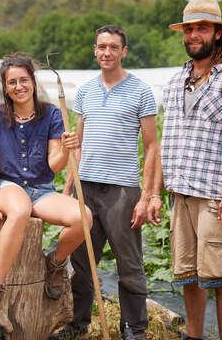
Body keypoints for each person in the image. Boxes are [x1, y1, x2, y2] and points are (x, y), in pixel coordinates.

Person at [148, 0, 222, 340]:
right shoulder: (177, 79)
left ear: (218, 34)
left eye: (202, 28)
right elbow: (167, 142)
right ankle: (193, 335)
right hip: (180, 193)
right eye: (190, 29)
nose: (194, 34)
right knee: (189, 275)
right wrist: (155, 193)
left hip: (214, 195)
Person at [53, 25, 158, 340]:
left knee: (129, 263)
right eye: (102, 47)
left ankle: (134, 329)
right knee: (82, 262)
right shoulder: (85, 91)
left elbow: (153, 146)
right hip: (87, 187)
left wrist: (146, 196)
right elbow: (77, 146)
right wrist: (69, 189)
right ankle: (78, 324)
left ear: (124, 51)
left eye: (114, 47)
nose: (107, 53)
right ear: (95, 50)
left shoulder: (140, 90)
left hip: (122, 191)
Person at [0, 55, 92, 321]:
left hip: (42, 188)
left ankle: (55, 263)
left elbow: (54, 166)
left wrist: (66, 148)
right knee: (19, 211)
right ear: (5, 87)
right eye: (12, 82)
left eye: (24, 80)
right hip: (9, 185)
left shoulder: (51, 114)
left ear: (33, 82)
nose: (19, 86)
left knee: (83, 217)